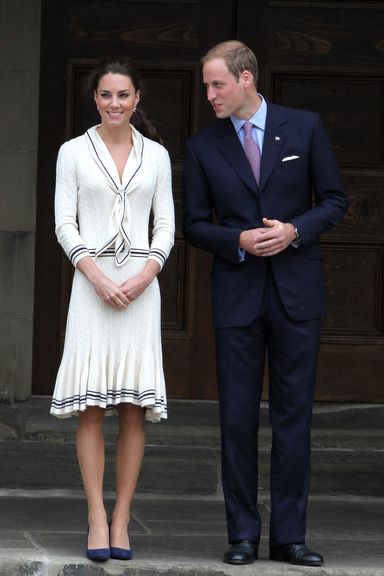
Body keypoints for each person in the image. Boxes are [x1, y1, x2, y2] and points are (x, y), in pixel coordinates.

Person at [183, 40, 346, 567]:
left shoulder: (306, 127)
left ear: (246, 78)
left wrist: (297, 229)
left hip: (298, 295)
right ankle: (243, 536)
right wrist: (238, 241)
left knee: (294, 418)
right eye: (207, 85)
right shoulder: (203, 146)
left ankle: (289, 537)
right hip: (237, 296)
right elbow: (194, 225)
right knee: (236, 420)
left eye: (217, 84)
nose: (209, 94)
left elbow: (335, 201)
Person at [50, 57, 175, 562]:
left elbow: (165, 224)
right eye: (106, 95)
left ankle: (122, 517)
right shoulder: (72, 152)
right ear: (95, 98)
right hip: (91, 286)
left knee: (131, 409)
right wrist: (98, 277)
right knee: (91, 407)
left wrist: (146, 273)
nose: (115, 103)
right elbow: (64, 223)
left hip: (142, 289)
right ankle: (95, 517)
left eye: (123, 95)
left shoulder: (158, 156)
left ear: (137, 98)